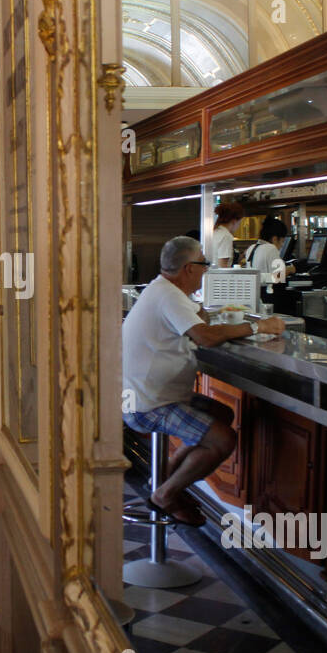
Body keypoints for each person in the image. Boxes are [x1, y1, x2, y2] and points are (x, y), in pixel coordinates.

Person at [121, 236, 286, 527]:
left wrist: (201, 312)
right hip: (147, 404)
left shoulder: (164, 290)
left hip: (150, 394)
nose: (207, 270)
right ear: (188, 268)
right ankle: (165, 495)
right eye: (204, 264)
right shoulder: (168, 296)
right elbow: (205, 337)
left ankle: (162, 479)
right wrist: (258, 325)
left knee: (222, 413)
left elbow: (199, 322)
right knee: (222, 439)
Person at [242, 216, 296, 281]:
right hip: (267, 289)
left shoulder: (251, 247)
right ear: (275, 239)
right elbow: (278, 276)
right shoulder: (271, 248)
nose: (282, 245)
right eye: (282, 241)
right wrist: (290, 269)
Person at [207, 201, 244, 268]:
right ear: (234, 221)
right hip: (219, 277)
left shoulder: (215, 232)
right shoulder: (226, 236)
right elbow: (223, 266)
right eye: (239, 223)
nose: (238, 226)